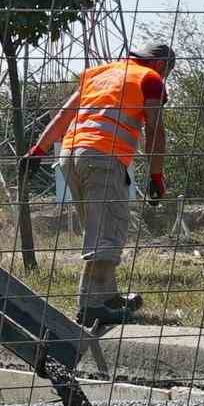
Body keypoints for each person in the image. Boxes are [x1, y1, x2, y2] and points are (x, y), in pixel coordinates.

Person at [20, 42, 176, 328]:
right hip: (102, 157)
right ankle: (91, 306)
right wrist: (156, 176)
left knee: (99, 228)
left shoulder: (98, 73)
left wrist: (37, 151)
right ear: (161, 65)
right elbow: (155, 128)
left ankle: (109, 298)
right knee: (108, 232)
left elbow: (63, 115)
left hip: (70, 157)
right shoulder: (150, 79)